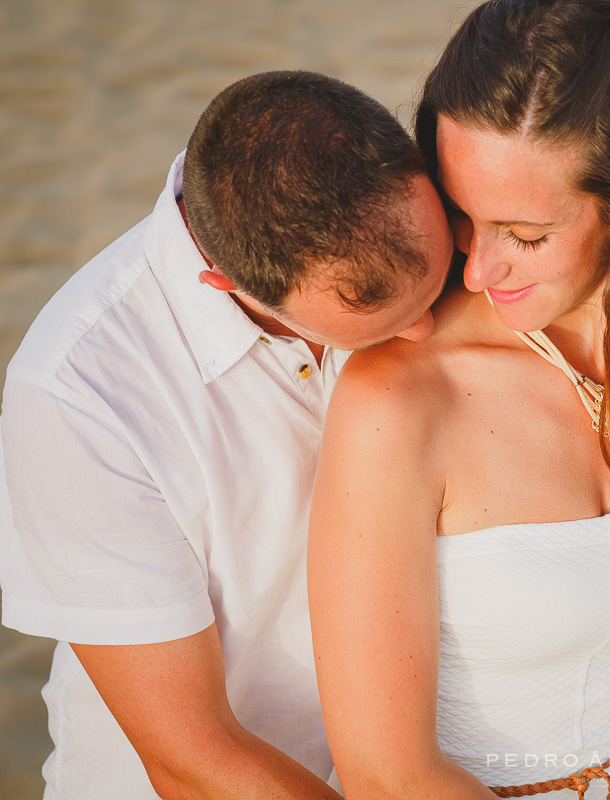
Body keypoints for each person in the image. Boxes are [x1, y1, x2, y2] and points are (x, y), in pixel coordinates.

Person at [308, 1, 610, 798]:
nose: (480, 271)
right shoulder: (400, 400)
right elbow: (388, 773)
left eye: (525, 235)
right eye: (462, 215)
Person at [0, 69, 453, 799]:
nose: (435, 328)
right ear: (226, 284)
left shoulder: (403, 225)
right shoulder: (79, 396)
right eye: (386, 319)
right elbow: (191, 759)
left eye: (438, 284)